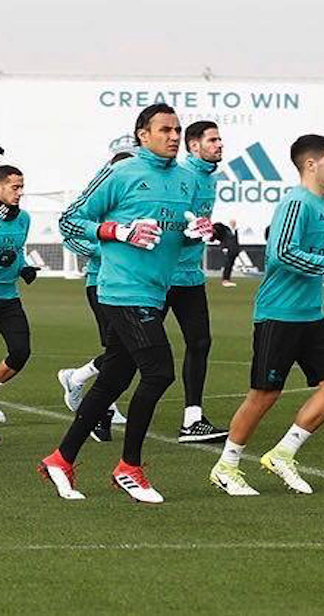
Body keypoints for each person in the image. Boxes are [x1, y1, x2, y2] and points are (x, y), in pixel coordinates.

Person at [40, 103, 213, 503]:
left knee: (114, 379)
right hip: (121, 291)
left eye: (177, 129)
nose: (173, 136)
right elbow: (71, 220)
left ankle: (60, 459)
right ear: (142, 135)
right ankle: (129, 467)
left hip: (157, 289)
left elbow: (175, 235)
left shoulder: (187, 181)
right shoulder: (123, 173)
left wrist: (193, 233)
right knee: (159, 371)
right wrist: (116, 230)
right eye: (165, 129)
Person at [209, 134, 324, 496]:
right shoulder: (297, 202)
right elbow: (279, 254)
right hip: (279, 314)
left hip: (311, 315)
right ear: (311, 164)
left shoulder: (323, 205)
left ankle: (284, 453)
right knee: (264, 395)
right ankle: (226, 466)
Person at [57, 151, 135, 441]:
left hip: (130, 285)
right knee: (121, 350)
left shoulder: (132, 201)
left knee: (124, 350)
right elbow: (71, 235)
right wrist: (105, 250)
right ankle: (100, 407)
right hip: (101, 283)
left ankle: (79, 378)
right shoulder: (99, 198)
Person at [166, 121, 228, 443]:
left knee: (200, 343)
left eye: (220, 139)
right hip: (161, 276)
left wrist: (213, 230)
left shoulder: (209, 178)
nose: (220, 145)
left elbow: (194, 224)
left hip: (190, 275)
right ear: (193, 145)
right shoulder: (181, 177)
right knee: (132, 352)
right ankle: (91, 396)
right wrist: (189, 232)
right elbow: (170, 223)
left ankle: (193, 419)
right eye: (213, 140)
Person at [0, 165, 36, 430]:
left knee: (21, 352)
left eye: (22, 187)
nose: (20, 192)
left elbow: (18, 250)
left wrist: (23, 267)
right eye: (15, 187)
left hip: (9, 297)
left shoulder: (23, 218)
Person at [220, 219, 240, 287]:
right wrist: (224, 248)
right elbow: (223, 239)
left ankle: (228, 279)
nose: (234, 224)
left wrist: (237, 250)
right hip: (228, 250)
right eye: (232, 223)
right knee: (227, 265)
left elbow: (236, 241)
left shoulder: (236, 231)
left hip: (234, 250)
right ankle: (225, 279)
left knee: (231, 265)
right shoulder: (226, 231)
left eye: (234, 223)